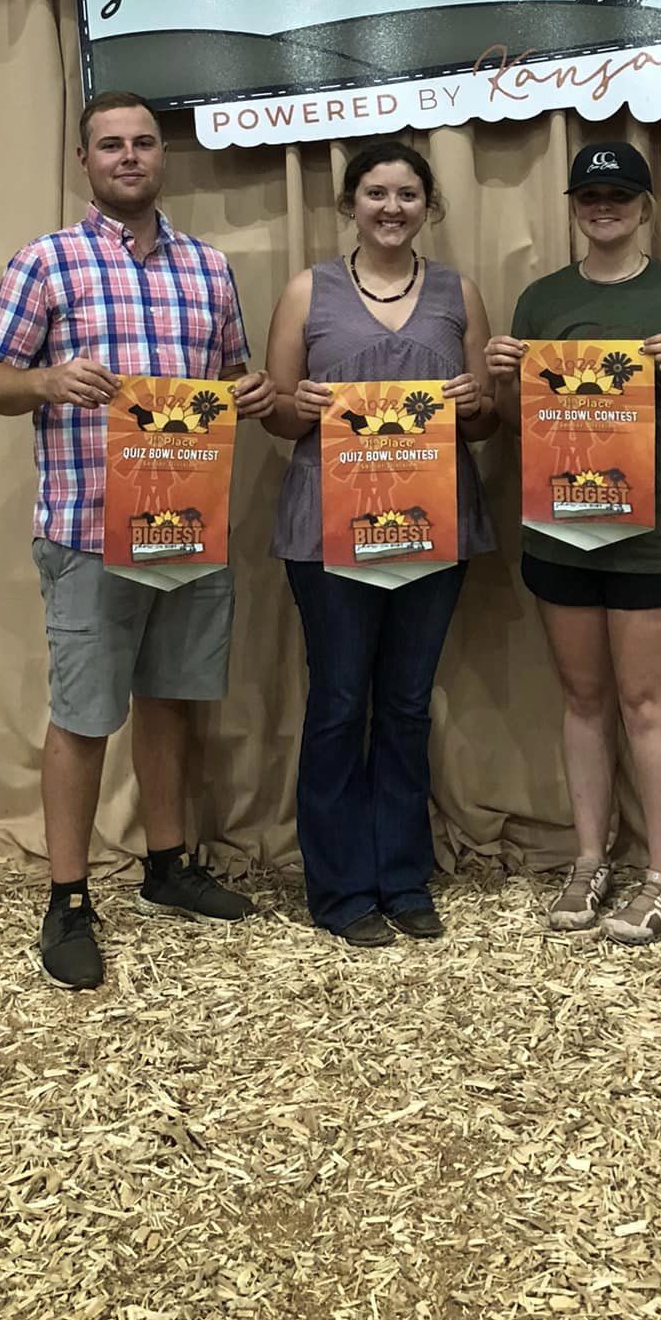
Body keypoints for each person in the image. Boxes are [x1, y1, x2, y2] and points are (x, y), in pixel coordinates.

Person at [0, 90, 276, 991]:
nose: (130, 156)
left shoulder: (209, 268)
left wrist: (250, 393)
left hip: (186, 525)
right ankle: (68, 898)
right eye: (111, 145)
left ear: (162, 156)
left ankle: (167, 867)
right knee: (83, 714)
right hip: (87, 529)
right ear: (85, 161)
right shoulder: (46, 263)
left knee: (171, 699)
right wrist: (45, 381)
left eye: (143, 142)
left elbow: (228, 378)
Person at [486, 142, 661, 945]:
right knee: (583, 700)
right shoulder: (541, 299)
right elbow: (521, 426)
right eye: (591, 195)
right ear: (573, 205)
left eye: (619, 195)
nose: (605, 207)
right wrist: (505, 380)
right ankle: (590, 858)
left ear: (645, 207)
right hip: (563, 529)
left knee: (647, 702)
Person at [262, 140, 497, 948]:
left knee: (405, 703)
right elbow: (276, 413)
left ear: (428, 206)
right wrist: (299, 403)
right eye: (375, 193)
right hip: (328, 529)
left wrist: (476, 400)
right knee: (337, 703)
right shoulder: (307, 290)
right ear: (350, 204)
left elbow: (484, 419)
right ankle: (340, 889)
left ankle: (403, 877)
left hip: (431, 523)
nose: (391, 208)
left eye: (406, 195)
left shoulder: (460, 292)